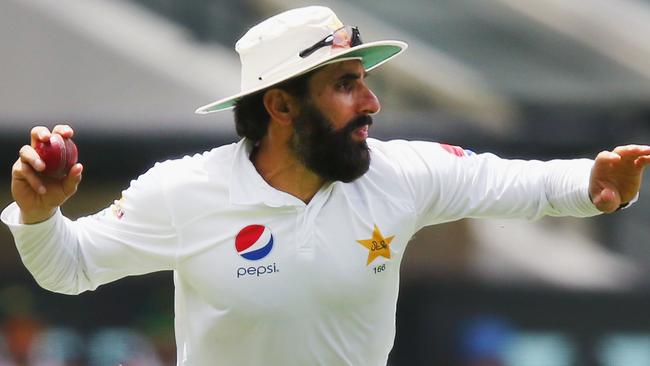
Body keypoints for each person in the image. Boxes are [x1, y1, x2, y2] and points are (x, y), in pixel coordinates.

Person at [2, 5, 650, 366]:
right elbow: (70, 267)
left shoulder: (402, 174)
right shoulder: (184, 191)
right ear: (281, 108)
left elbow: (508, 181)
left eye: (364, 82)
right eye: (346, 85)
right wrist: (38, 217)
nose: (371, 102)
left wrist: (592, 181)